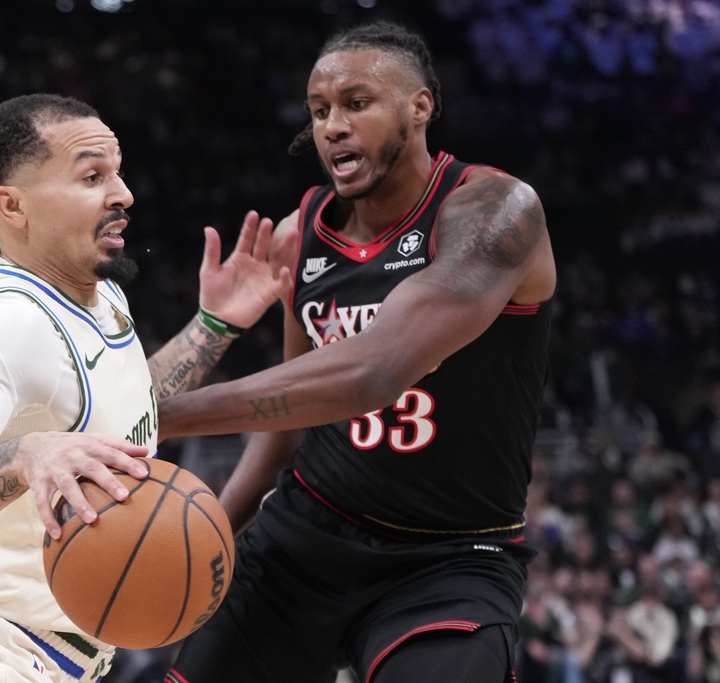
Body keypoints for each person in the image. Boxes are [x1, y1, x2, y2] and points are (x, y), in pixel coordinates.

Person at [163, 19, 556, 683]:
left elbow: (376, 369)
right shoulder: (302, 234)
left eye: (356, 103)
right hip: (305, 537)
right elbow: (289, 407)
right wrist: (214, 535)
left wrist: (157, 415)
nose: (332, 126)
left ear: (420, 106)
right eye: (319, 111)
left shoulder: (495, 209)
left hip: (448, 557)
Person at [0, 93, 290, 682]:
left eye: (117, 173)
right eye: (92, 176)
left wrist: (213, 327)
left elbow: (118, 410)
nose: (122, 194)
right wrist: (27, 455)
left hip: (55, 661)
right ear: (12, 205)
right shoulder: (6, 323)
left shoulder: (98, 298)